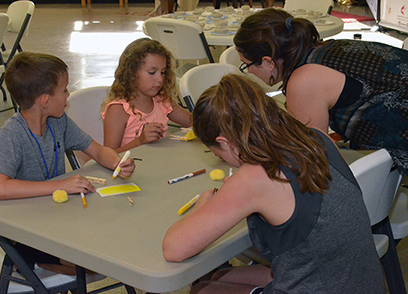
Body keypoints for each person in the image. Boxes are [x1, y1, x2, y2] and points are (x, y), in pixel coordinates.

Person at [162, 74, 385, 293]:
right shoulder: (316, 137)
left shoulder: (256, 177)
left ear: (225, 142)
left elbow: (173, 249)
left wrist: (204, 205)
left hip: (324, 284)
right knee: (215, 277)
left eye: (219, 154)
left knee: (204, 290)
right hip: (358, 281)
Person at [0, 52, 135, 274]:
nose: (68, 96)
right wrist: (59, 185)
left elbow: (96, 150)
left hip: (57, 220)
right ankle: (42, 265)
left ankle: (54, 263)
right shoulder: (12, 134)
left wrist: (117, 162)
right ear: (45, 101)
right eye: (65, 89)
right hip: (25, 230)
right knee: (95, 264)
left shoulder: (59, 121)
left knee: (107, 245)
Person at [234, 8, 408, 174]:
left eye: (246, 65)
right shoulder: (327, 48)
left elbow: (311, 158)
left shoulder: (304, 80)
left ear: (268, 62)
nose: (248, 72)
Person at [101, 38, 192, 153]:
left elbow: (192, 122)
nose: (160, 79)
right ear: (131, 73)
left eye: (163, 72)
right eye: (152, 73)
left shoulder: (161, 100)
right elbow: (108, 156)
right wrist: (140, 141)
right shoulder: (118, 110)